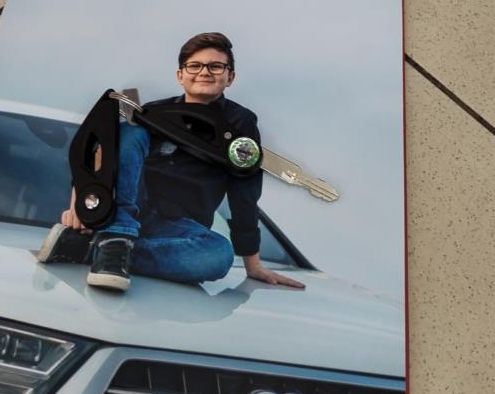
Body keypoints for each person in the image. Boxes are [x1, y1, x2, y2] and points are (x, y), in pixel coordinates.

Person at [38, 32, 305, 293]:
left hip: (175, 227)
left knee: (219, 255)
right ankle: (117, 235)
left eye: (215, 66)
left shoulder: (240, 123)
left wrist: (253, 265)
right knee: (129, 131)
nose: (204, 72)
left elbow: (244, 192)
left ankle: (92, 250)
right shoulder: (152, 112)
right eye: (195, 66)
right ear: (180, 75)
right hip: (127, 211)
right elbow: (103, 153)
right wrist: (83, 201)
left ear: (230, 77)